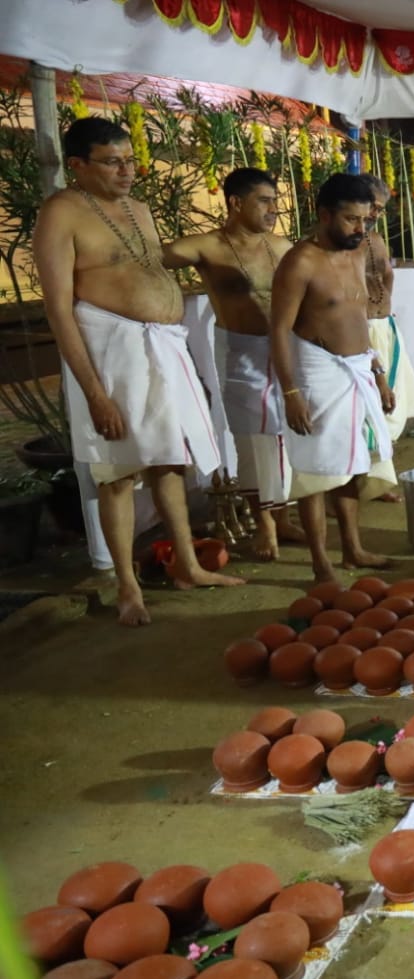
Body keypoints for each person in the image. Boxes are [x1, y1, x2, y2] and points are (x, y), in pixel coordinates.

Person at [35, 117, 242, 625]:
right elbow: (59, 309)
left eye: (130, 160)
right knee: (118, 472)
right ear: (78, 165)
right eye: (113, 162)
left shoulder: (140, 209)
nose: (128, 171)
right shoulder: (61, 211)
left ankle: (188, 565)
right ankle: (128, 586)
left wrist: (186, 361)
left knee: (170, 461)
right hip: (109, 354)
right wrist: (95, 394)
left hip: (162, 348)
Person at [161, 167, 297, 559]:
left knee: (286, 435)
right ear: (236, 203)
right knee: (253, 437)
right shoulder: (207, 246)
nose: (274, 209)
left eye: (275, 200)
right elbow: (152, 261)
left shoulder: (282, 246)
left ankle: (284, 518)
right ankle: (266, 528)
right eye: (264, 201)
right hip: (240, 349)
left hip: (285, 348)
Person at [268, 173, 396, 582]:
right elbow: (278, 331)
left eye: (366, 220)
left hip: (357, 369)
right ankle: (321, 563)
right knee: (317, 471)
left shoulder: (356, 252)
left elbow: (358, 319)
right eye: (351, 220)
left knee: (352, 463)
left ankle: (353, 549)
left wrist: (378, 374)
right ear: (324, 214)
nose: (361, 229)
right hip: (317, 372)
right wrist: (290, 392)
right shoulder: (300, 261)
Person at [360, 175, 414, 502]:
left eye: (380, 211)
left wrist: (387, 318)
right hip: (360, 330)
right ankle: (356, 485)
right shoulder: (341, 245)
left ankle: (378, 479)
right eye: (371, 207)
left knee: (393, 407)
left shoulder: (377, 239)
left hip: (384, 327)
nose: (374, 215)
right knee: (368, 411)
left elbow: (385, 278)